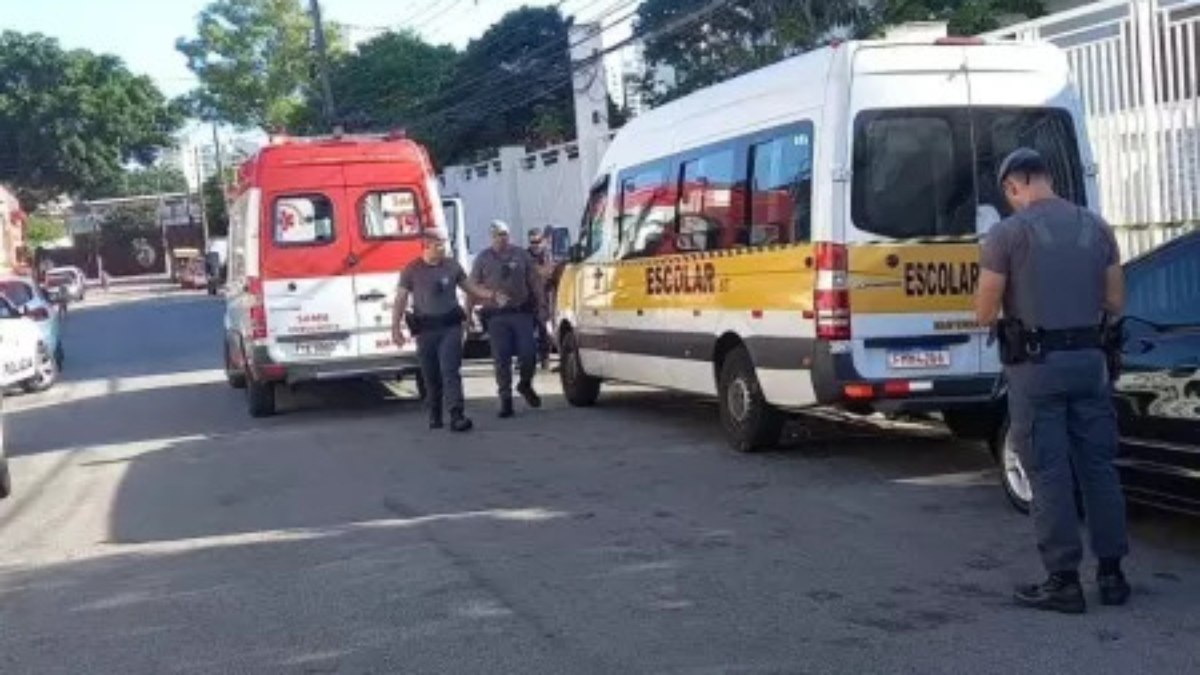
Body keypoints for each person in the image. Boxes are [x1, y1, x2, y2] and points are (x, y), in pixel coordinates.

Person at [976, 148, 1130, 615]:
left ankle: (1063, 581)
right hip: (1091, 363)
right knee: (1099, 468)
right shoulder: (1098, 228)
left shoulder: (1006, 234)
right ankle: (1112, 575)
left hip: (1037, 370)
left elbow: (985, 310)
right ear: (1047, 177)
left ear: (1012, 187)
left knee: (1048, 472)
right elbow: (1115, 301)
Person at [393, 226, 504, 433]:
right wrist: (395, 329)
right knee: (431, 375)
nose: (443, 248)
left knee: (450, 371)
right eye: (438, 244)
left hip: (450, 327)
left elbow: (470, 288)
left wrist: (491, 295)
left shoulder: (452, 267)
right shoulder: (412, 270)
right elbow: (400, 299)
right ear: (425, 245)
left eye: (444, 243)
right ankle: (435, 412)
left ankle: (457, 415)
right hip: (425, 330)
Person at [471, 220, 545, 418]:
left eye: (504, 234)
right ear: (491, 237)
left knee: (529, 354)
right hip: (496, 317)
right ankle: (505, 399)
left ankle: (525, 384)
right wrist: (470, 311)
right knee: (501, 358)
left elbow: (535, 281)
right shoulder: (483, 258)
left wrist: (542, 305)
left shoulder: (521, 255)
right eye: (498, 235)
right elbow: (472, 286)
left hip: (521, 312)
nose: (502, 238)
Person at [527, 228, 557, 369]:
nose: (535, 245)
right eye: (532, 242)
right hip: (527, 298)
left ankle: (545, 358)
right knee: (526, 332)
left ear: (543, 241)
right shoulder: (525, 255)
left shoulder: (547, 256)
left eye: (537, 241)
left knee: (544, 329)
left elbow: (549, 274)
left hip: (544, 298)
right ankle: (527, 358)